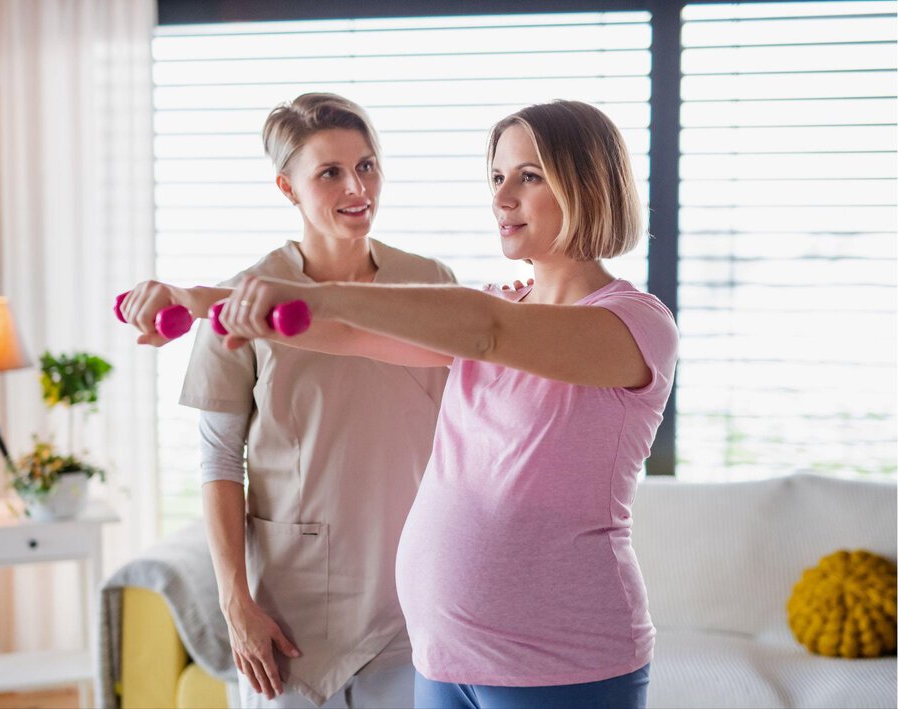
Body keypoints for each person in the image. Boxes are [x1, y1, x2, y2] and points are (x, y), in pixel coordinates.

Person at [210, 100, 679, 709]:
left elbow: (489, 332)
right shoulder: (500, 305)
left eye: (528, 176)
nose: (502, 197)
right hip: (443, 655)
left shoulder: (633, 323)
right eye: (496, 177)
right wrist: (198, 301)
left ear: (587, 185)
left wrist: (317, 295)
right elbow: (353, 338)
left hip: (560, 661)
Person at [119, 93, 456, 708]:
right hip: (291, 610)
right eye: (329, 172)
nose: (357, 186)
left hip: (413, 595)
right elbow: (220, 463)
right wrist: (235, 602)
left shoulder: (431, 284)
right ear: (287, 187)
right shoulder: (241, 305)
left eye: (367, 165)